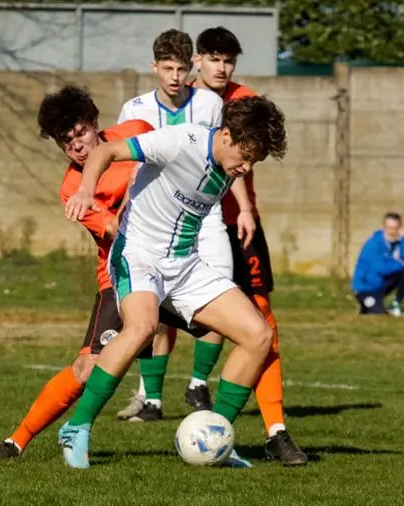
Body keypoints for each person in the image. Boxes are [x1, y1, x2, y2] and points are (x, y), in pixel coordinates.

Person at [58, 96, 287, 469]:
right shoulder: (182, 141)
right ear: (226, 135)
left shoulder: (229, 164)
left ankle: (216, 437)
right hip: (138, 253)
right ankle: (77, 427)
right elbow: (108, 151)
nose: (246, 168)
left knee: (258, 334)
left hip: (185, 265)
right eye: (246, 157)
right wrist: (85, 190)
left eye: (254, 162)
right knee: (143, 327)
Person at [132, 25, 305, 466]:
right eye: (212, 58)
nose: (221, 67)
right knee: (158, 316)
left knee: (262, 322)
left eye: (228, 59)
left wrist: (246, 209)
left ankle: (274, 429)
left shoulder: (245, 102)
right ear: (197, 63)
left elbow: (240, 170)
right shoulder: (179, 101)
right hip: (178, 230)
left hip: (235, 223)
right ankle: (155, 394)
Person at [0, 85, 160, 461]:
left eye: (80, 133)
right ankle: (17, 442)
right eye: (66, 142)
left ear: (94, 123)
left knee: (248, 328)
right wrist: (137, 191)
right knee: (87, 367)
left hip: (175, 263)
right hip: (122, 274)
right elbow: (116, 231)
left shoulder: (137, 130)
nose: (77, 146)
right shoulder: (73, 189)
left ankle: (269, 431)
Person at [114, 28, 257, 423]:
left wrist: (243, 208)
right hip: (154, 215)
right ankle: (152, 399)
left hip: (205, 214)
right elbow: (125, 163)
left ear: (190, 66)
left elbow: (230, 157)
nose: (175, 76)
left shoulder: (211, 104)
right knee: (153, 307)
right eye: (168, 68)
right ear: (155, 67)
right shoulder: (135, 108)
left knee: (219, 292)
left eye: (181, 68)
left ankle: (197, 383)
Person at [352, 212, 404, 317]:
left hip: (382, 285)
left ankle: (396, 304)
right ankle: (366, 305)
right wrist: (401, 264)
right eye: (389, 228)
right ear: (383, 227)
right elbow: (381, 268)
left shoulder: (399, 242)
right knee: (379, 313)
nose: (392, 232)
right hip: (366, 288)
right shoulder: (373, 244)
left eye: (395, 228)